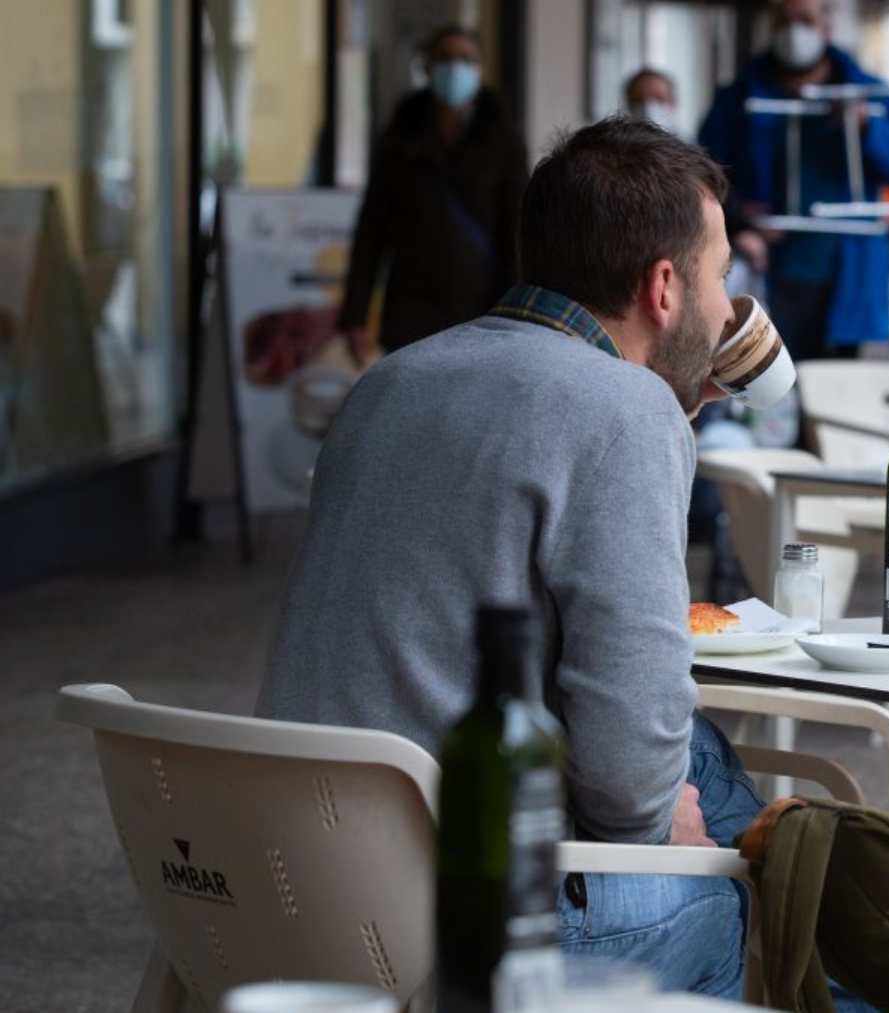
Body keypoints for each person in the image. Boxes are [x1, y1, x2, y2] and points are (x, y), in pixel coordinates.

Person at [259, 118, 765, 997]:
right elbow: (630, 787)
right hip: (449, 917)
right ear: (663, 288)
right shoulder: (624, 412)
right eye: (719, 275)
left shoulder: (392, 379)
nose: (729, 309)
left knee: (711, 764)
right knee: (747, 894)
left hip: (276, 883)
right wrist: (671, 839)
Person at [698, 0, 889, 362]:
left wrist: (869, 127)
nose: (795, 31)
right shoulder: (741, 97)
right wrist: (740, 218)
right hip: (770, 270)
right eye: (785, 20)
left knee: (840, 389)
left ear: (827, 24)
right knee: (768, 383)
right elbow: (701, 174)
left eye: (806, 20)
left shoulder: (867, 92)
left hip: (850, 276)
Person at [337, 24, 528, 362]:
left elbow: (517, 229)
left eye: (466, 59)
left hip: (483, 308)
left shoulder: (503, 136)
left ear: (480, 68)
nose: (455, 68)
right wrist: (356, 316)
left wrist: (518, 312)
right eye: (446, 58)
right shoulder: (401, 133)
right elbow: (372, 230)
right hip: (411, 310)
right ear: (426, 67)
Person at [624, 66, 679, 134]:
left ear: (673, 102)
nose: (648, 107)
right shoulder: (615, 143)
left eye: (659, 99)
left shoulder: (690, 144)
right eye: (639, 100)